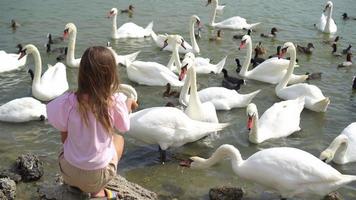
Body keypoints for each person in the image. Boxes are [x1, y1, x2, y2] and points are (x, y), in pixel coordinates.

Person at [47, 46, 138, 199]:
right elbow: (124, 127)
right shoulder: (114, 102)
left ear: (81, 73)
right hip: (97, 176)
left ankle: (75, 186)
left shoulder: (67, 102)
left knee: (67, 134)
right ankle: (99, 193)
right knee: (118, 139)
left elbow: (63, 135)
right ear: (111, 75)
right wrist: (128, 105)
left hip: (69, 172)